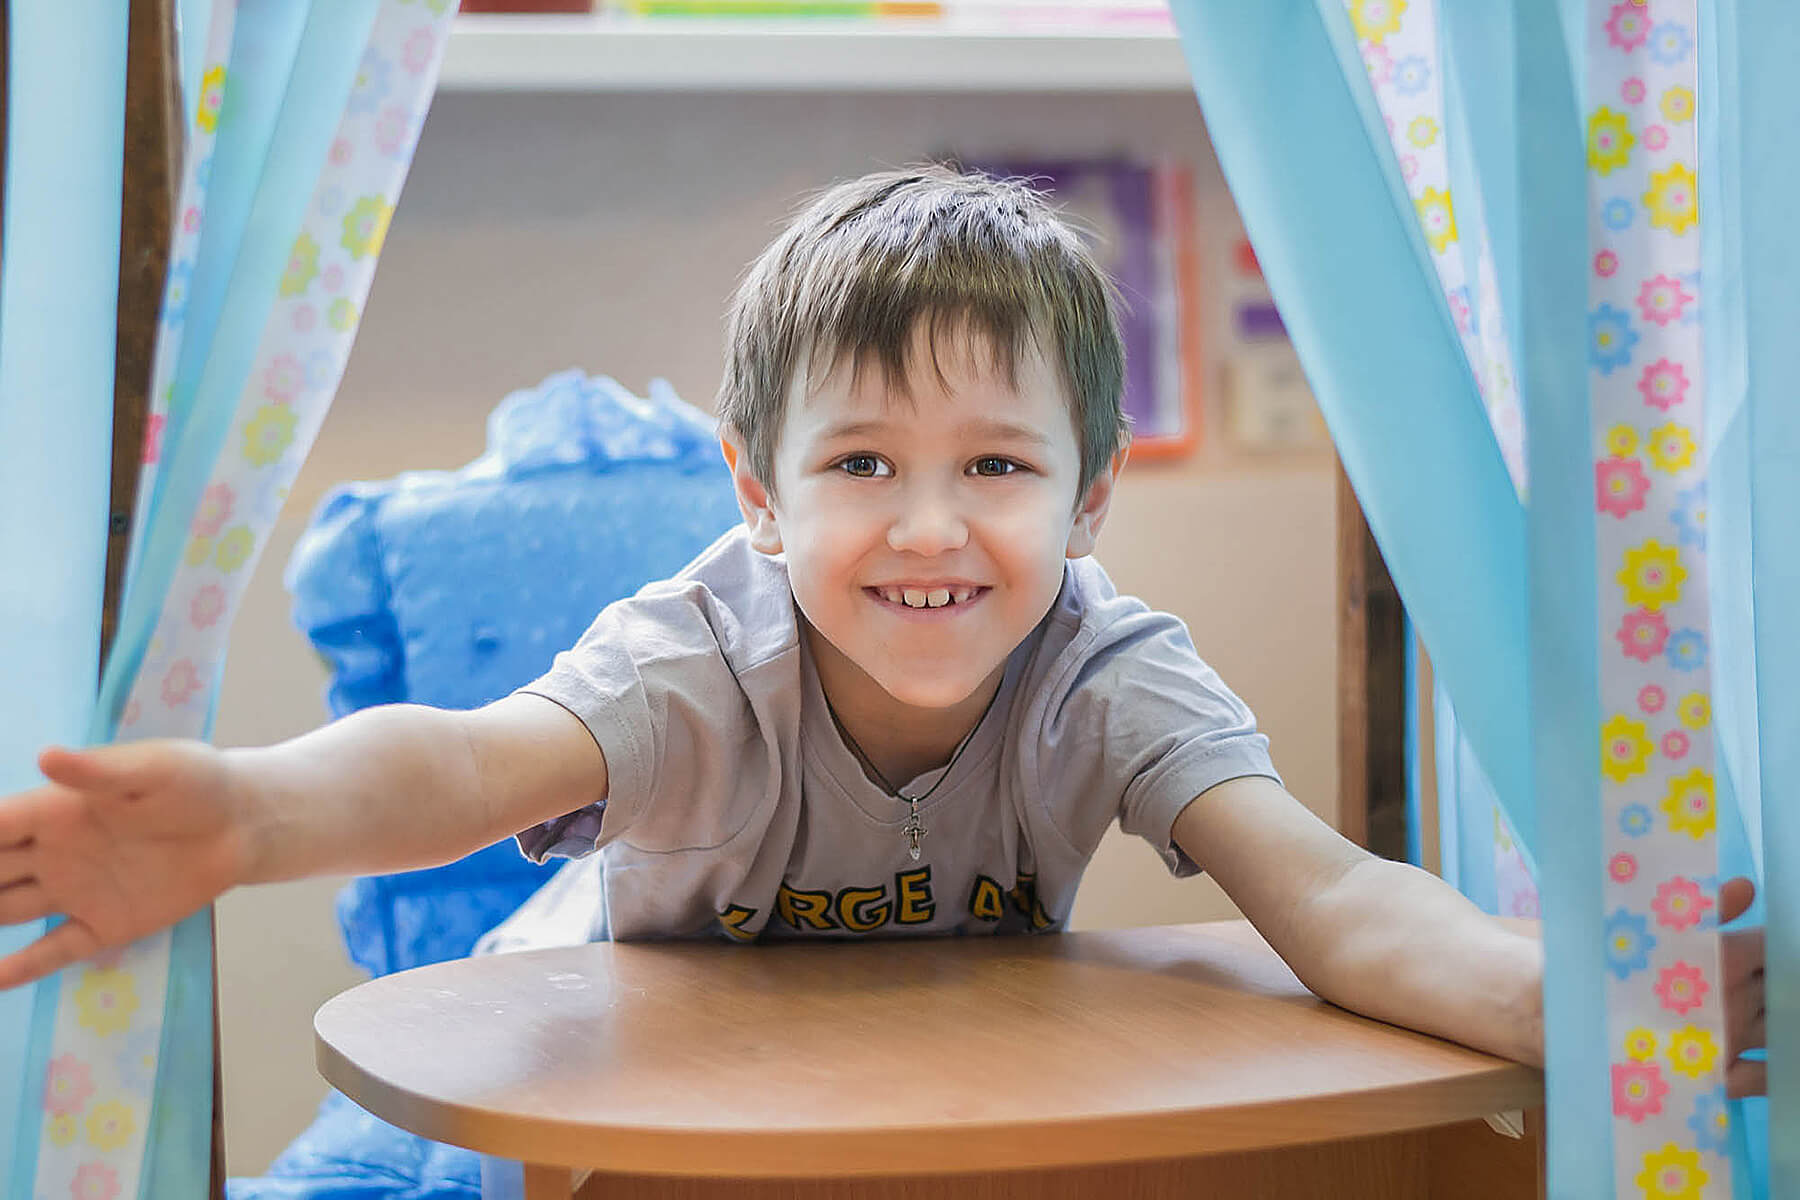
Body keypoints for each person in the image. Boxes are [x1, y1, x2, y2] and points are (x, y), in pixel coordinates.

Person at [0, 166, 1766, 1095]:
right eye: (861, 463)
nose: (931, 526)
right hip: (637, 1060)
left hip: (917, 1084)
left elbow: (1337, 893)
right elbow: (464, 764)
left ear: (1088, 504)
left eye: (997, 463)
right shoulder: (703, 658)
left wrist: (1570, 1005)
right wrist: (244, 819)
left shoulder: (1106, 674)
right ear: (759, 497)